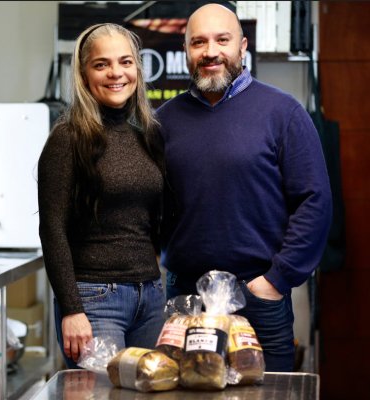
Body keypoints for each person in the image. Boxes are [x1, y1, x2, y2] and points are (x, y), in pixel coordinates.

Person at [156, 3, 332, 372]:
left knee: (268, 394)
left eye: (223, 40)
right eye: (198, 42)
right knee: (188, 395)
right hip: (184, 297)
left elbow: (314, 201)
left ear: (243, 46)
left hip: (258, 297)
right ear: (186, 50)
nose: (211, 52)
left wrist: (276, 280)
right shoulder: (163, 121)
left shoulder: (284, 113)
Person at [37, 23, 166, 368]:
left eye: (125, 62)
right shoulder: (68, 138)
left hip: (150, 296)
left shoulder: (147, 136)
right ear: (83, 73)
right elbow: (52, 229)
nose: (116, 73)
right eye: (101, 64)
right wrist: (72, 309)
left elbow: (152, 221)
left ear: (137, 68)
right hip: (95, 300)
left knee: (152, 391)